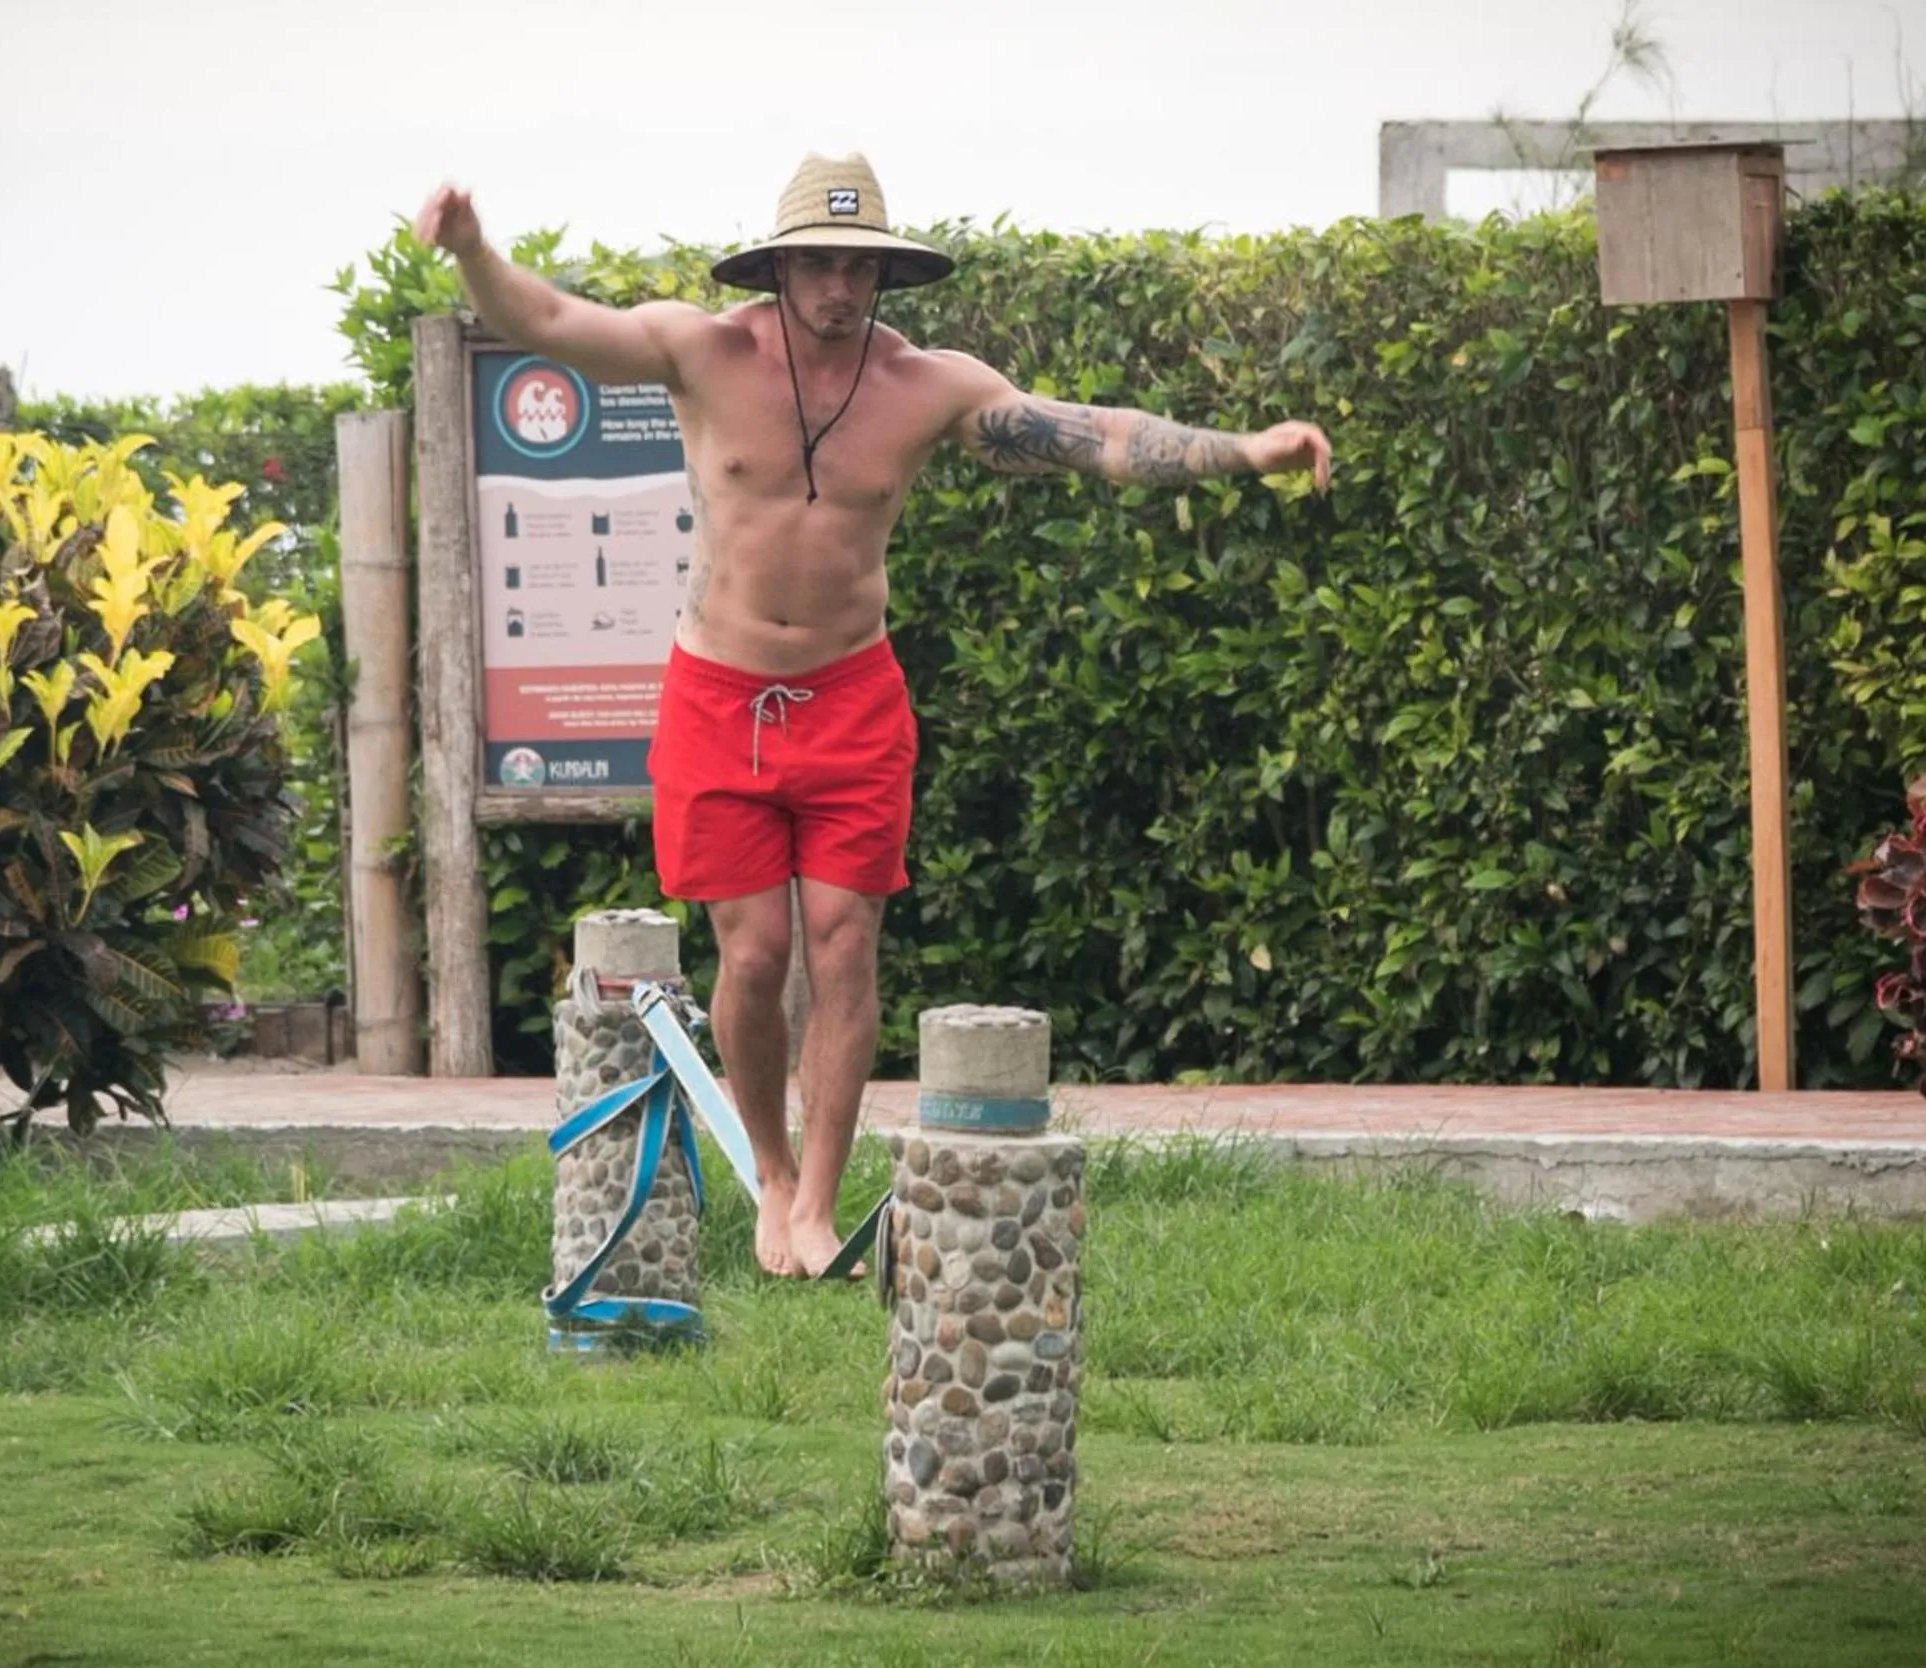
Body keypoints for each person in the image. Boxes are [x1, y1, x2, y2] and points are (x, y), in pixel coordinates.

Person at [417, 153, 1331, 1278]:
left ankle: (822, 1196)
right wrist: (469, 249)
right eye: (820, 263)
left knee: (845, 945)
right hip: (718, 697)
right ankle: (772, 1174)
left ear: (884, 273)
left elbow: (1091, 435)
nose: (840, 286)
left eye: (860, 265)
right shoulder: (701, 352)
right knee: (752, 959)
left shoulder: (925, 384)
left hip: (852, 697)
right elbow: (551, 319)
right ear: (781, 266)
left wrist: (1246, 452)